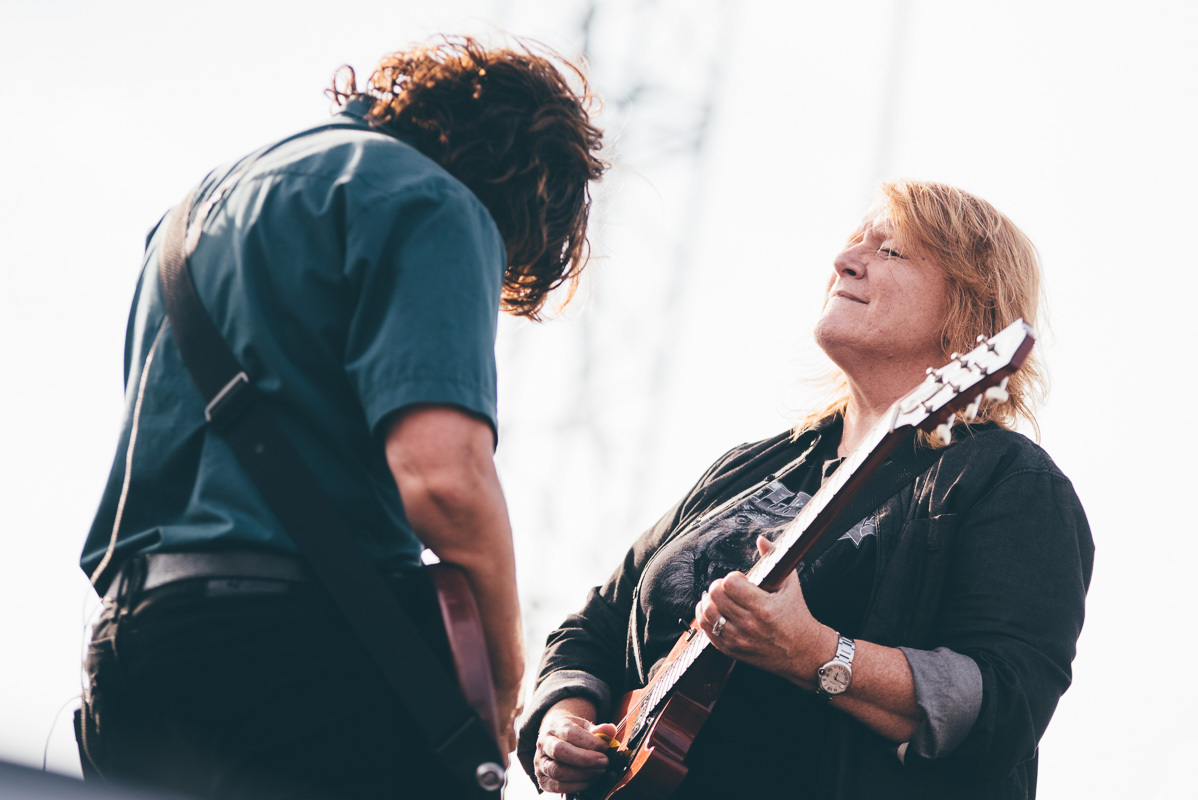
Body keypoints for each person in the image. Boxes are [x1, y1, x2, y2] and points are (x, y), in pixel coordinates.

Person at [78, 36, 605, 799]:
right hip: (284, 654)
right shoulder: (436, 203)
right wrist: (501, 686)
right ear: (527, 183)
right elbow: (445, 482)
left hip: (131, 648)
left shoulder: (195, 210)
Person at [521, 180, 1093, 798]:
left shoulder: (1007, 481)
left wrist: (812, 652)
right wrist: (563, 725)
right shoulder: (748, 467)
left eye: (891, 251)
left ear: (968, 312)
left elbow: (1003, 708)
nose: (845, 261)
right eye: (853, 244)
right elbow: (596, 624)